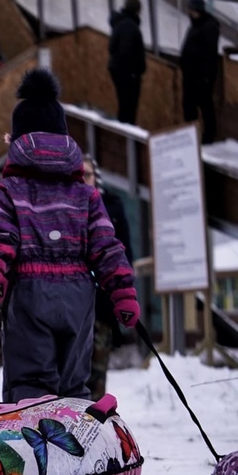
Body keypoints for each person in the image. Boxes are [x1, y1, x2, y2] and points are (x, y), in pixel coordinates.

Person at [0, 69, 139, 402]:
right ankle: (74, 447)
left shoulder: (6, 189)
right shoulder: (86, 195)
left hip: (29, 294)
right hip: (78, 297)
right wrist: (122, 291)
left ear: (18, 139)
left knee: (31, 385)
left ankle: (34, 448)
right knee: (74, 384)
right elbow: (107, 246)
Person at [83, 155, 136, 399]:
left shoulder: (111, 208)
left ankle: (94, 427)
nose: (83, 180)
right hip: (71, 303)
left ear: (96, 178)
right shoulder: (66, 210)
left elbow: (124, 254)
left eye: (87, 174)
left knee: (97, 372)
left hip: (101, 307)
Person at [181, 0, 221, 144]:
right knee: (188, 106)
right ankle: (191, 135)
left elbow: (210, 53)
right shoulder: (195, 25)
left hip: (201, 75)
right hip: (190, 74)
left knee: (205, 105)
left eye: (191, 10)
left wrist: (207, 75)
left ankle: (208, 136)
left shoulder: (208, 27)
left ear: (197, 11)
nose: (189, 13)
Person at [107, 0, 146, 125]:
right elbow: (126, 51)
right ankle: (127, 132)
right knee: (128, 105)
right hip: (127, 72)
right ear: (137, 10)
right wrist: (133, 72)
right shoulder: (129, 26)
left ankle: (124, 130)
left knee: (124, 103)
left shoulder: (122, 22)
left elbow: (114, 48)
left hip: (119, 69)